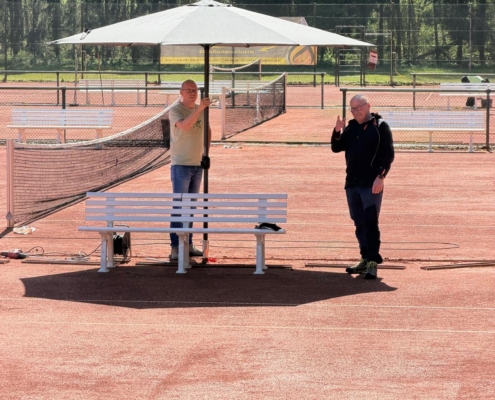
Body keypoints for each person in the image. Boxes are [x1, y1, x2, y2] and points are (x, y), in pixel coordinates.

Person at [331, 94, 395, 279]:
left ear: (368, 106)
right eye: (352, 108)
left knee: (370, 221)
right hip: (352, 183)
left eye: (358, 107)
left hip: (371, 183)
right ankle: (365, 258)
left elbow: (388, 155)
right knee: (358, 221)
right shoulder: (351, 128)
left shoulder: (380, 126)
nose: (355, 111)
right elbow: (336, 147)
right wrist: (337, 131)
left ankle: (373, 262)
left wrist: (381, 177)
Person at [168, 79, 212, 260]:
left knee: (191, 207)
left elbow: (207, 130)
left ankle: (188, 243)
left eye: (195, 90)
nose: (193, 93)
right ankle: (176, 247)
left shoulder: (201, 109)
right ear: (181, 92)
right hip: (181, 164)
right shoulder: (175, 110)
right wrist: (200, 108)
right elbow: (185, 126)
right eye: (189, 90)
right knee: (179, 206)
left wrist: (206, 153)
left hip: (197, 164)